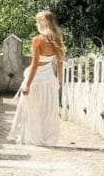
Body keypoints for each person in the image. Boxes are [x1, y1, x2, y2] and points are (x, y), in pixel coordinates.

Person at [9, 10, 65, 146]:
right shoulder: (57, 39)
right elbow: (59, 60)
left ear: (41, 23)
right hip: (50, 80)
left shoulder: (37, 40)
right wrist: (59, 79)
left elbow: (34, 65)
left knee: (32, 109)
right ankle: (48, 139)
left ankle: (33, 138)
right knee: (48, 111)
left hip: (36, 80)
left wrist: (27, 83)